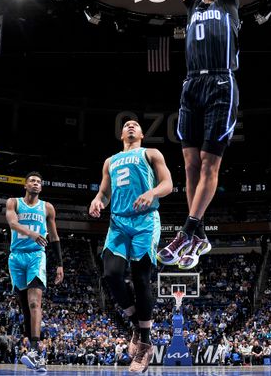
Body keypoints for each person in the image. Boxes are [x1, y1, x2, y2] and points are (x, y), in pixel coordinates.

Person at [158, 0, 240, 270]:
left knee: (209, 161)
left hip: (222, 84)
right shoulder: (192, 7)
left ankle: (189, 229)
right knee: (189, 163)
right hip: (191, 86)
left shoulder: (229, 6)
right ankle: (198, 233)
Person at [89, 120, 173, 373]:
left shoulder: (151, 153)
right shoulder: (110, 161)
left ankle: (145, 343)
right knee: (111, 274)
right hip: (118, 223)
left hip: (145, 221)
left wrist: (153, 193)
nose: (131, 126)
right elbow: (104, 192)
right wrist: (97, 200)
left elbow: (168, 184)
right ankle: (138, 324)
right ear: (121, 134)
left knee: (141, 280)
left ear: (142, 134)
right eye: (127, 124)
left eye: (135, 125)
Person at [6, 171, 64, 371]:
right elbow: (12, 223)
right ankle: (36, 354)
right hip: (16, 257)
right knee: (24, 308)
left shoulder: (47, 207)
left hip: (36, 256)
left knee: (34, 302)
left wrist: (59, 263)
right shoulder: (13, 202)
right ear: (25, 184)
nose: (36, 183)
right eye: (32, 180)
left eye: (39, 181)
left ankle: (34, 349)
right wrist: (32, 233)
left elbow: (54, 237)